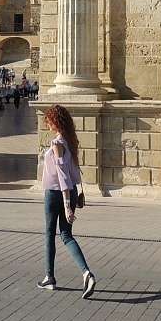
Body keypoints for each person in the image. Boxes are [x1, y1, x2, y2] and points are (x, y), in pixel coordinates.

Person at [38, 104, 96, 299]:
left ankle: (50, 277)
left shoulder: (57, 143)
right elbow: (74, 174)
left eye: (49, 120)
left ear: (55, 121)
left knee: (49, 234)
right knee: (66, 235)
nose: (47, 124)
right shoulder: (70, 141)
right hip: (69, 192)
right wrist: (74, 195)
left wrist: (66, 204)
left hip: (56, 194)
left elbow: (62, 175)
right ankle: (86, 273)